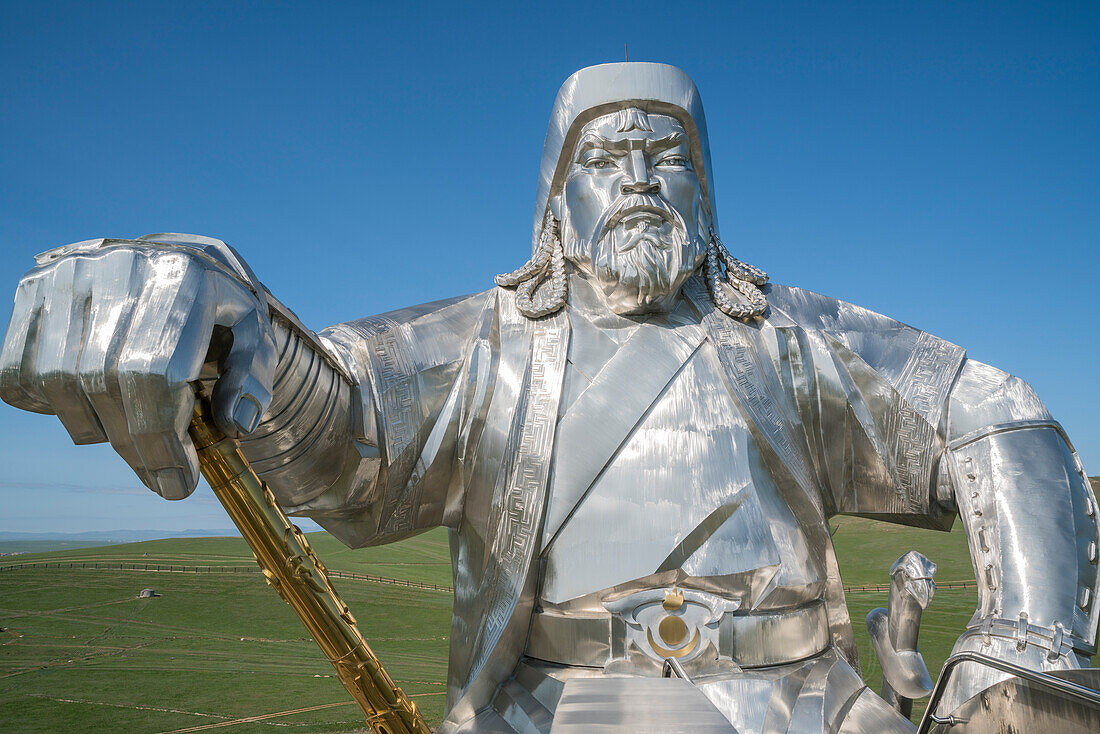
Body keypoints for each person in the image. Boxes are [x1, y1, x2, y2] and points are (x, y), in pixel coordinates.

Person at [1, 63, 1096, 733]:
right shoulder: (478, 342)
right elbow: (339, 437)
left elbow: (990, 409)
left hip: (800, 705)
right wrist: (226, 316)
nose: (635, 177)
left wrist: (1022, 648)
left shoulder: (796, 338)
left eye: (663, 153)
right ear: (551, 198)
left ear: (704, 189)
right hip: (551, 709)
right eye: (604, 155)